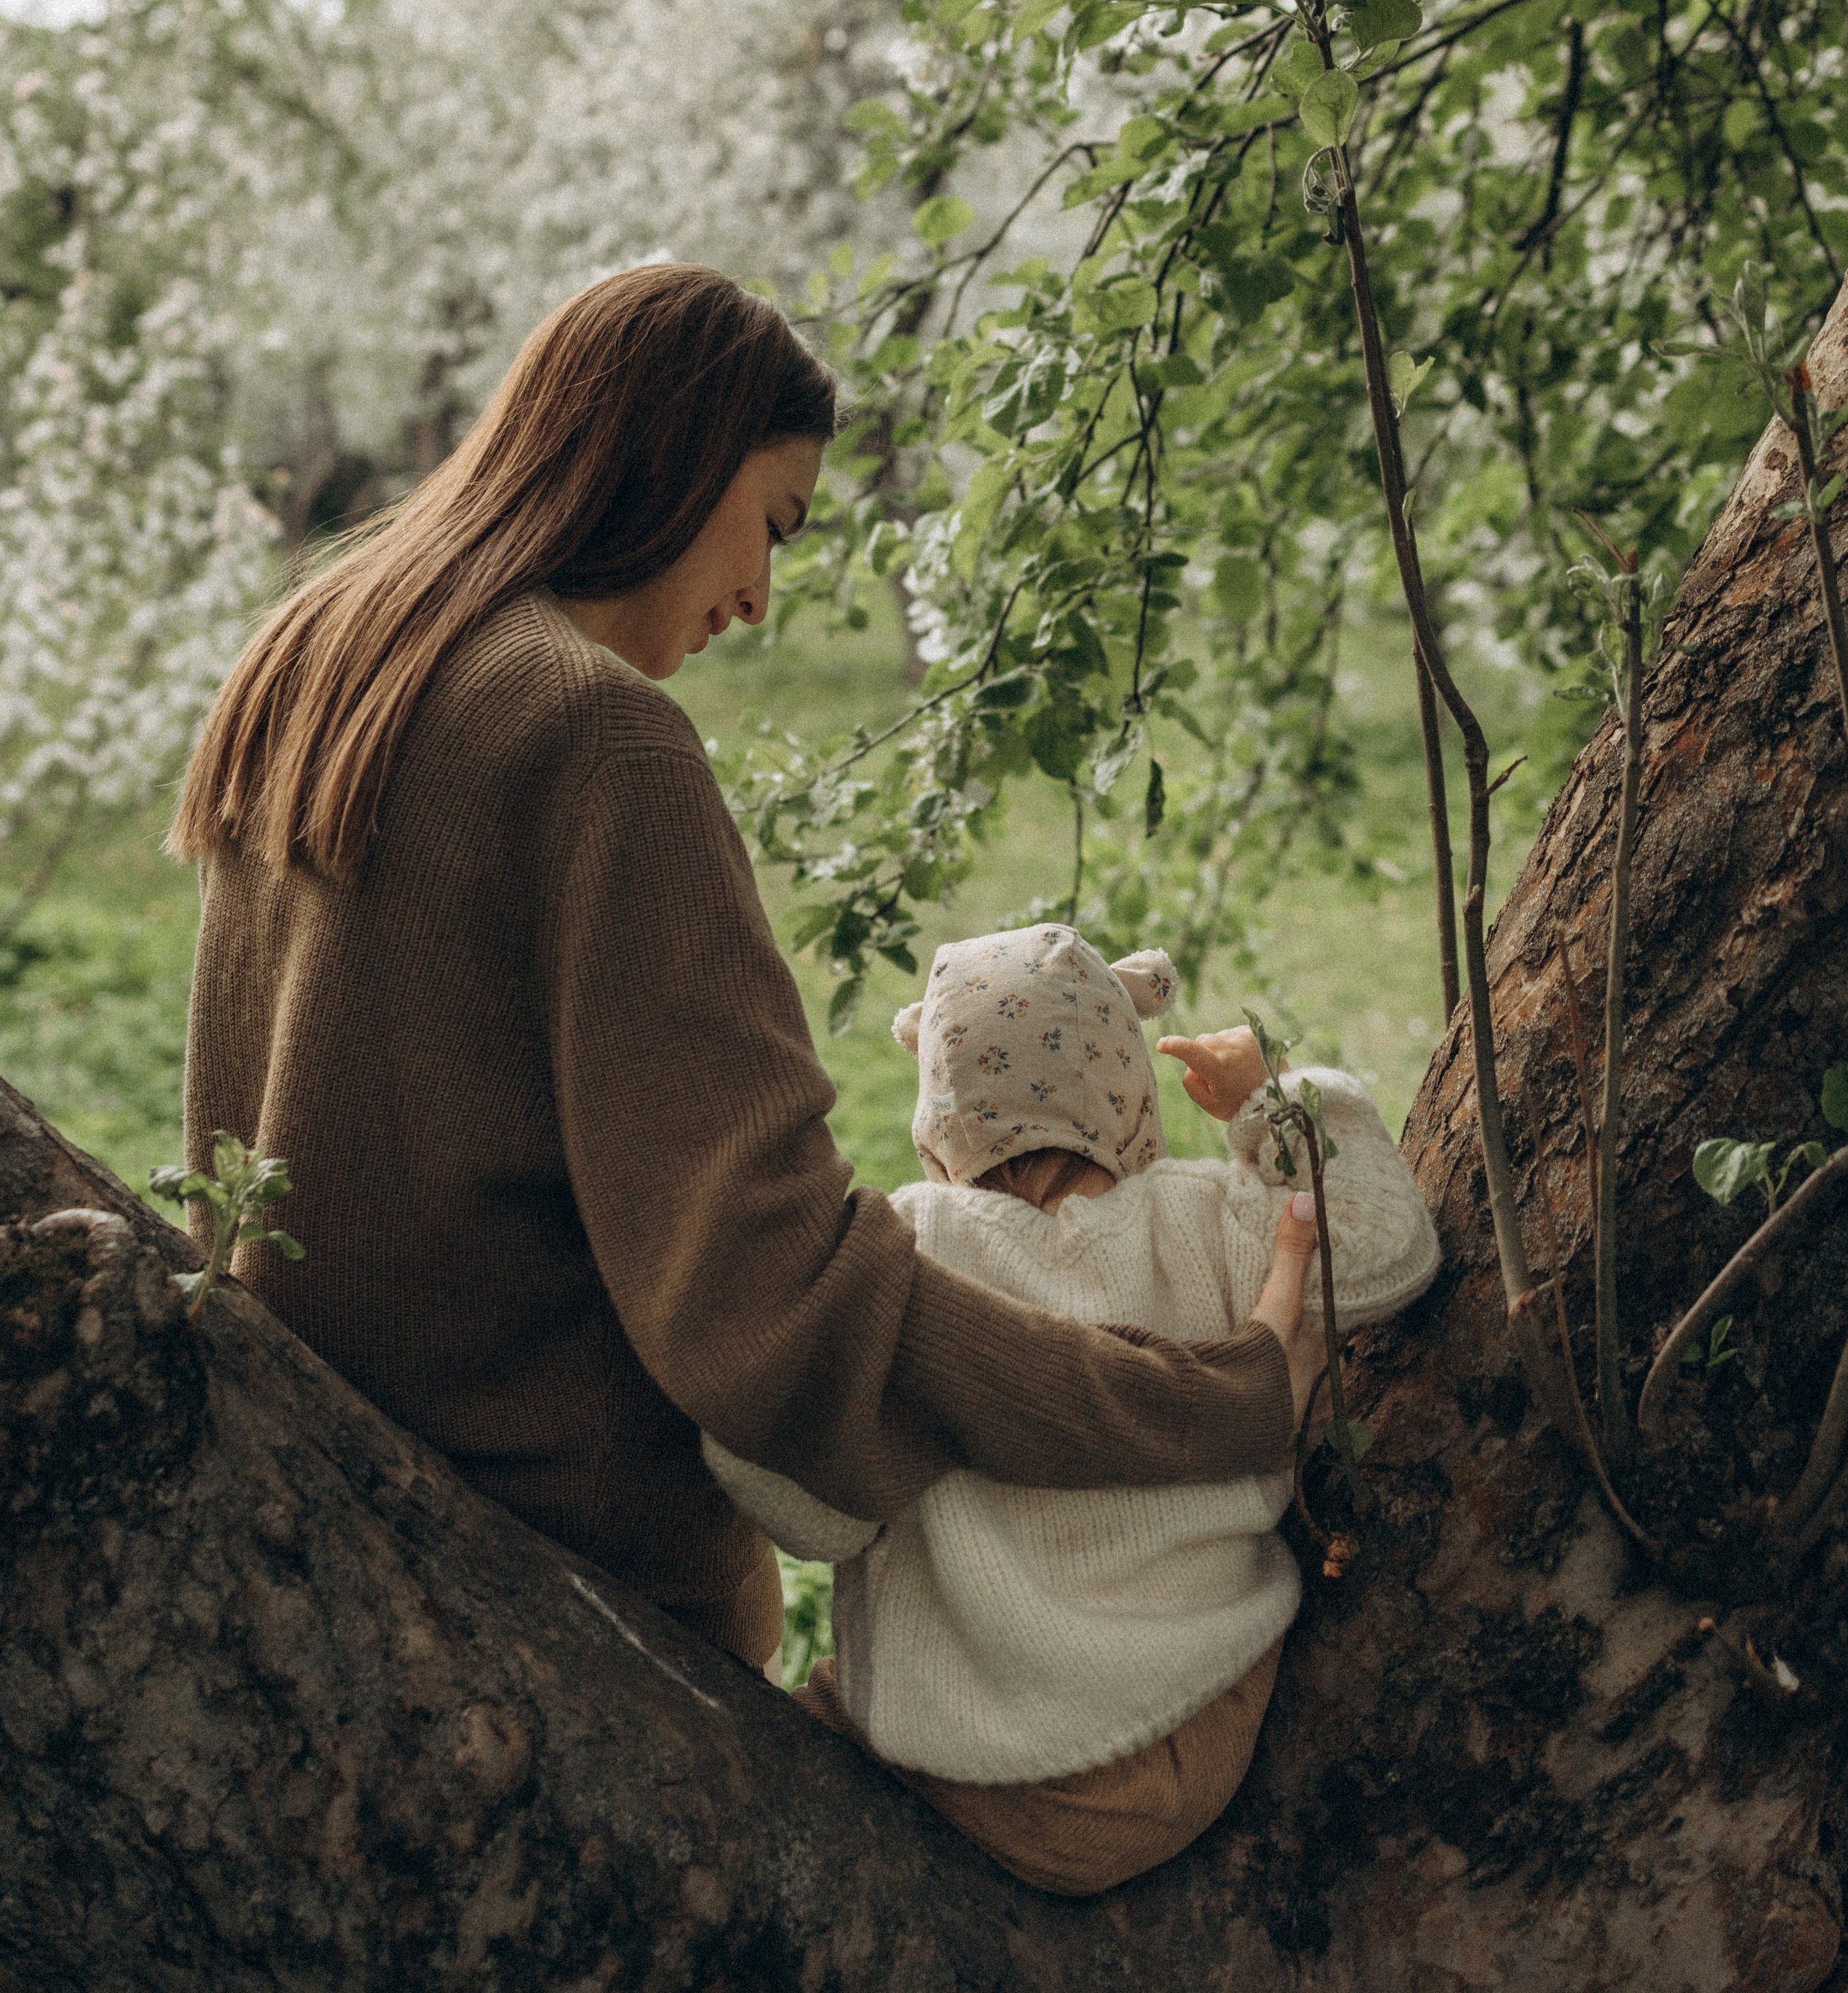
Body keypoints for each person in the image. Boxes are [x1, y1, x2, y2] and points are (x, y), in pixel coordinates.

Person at [172, 266, 1307, 1678]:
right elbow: (780, 1298)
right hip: (576, 1597)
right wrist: (1215, 1400)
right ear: (675, 452)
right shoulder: (596, 739)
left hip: (315, 1507)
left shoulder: (318, 656)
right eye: (772, 524)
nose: (762, 599)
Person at [705, 922, 1441, 1894]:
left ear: (935, 1131)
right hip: (1189, 1744)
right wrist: (1276, 1096)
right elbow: (1389, 1251)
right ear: (1132, 1097)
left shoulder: (907, 1253)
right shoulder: (1209, 1219)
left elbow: (807, 1508)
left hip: (962, 1762)